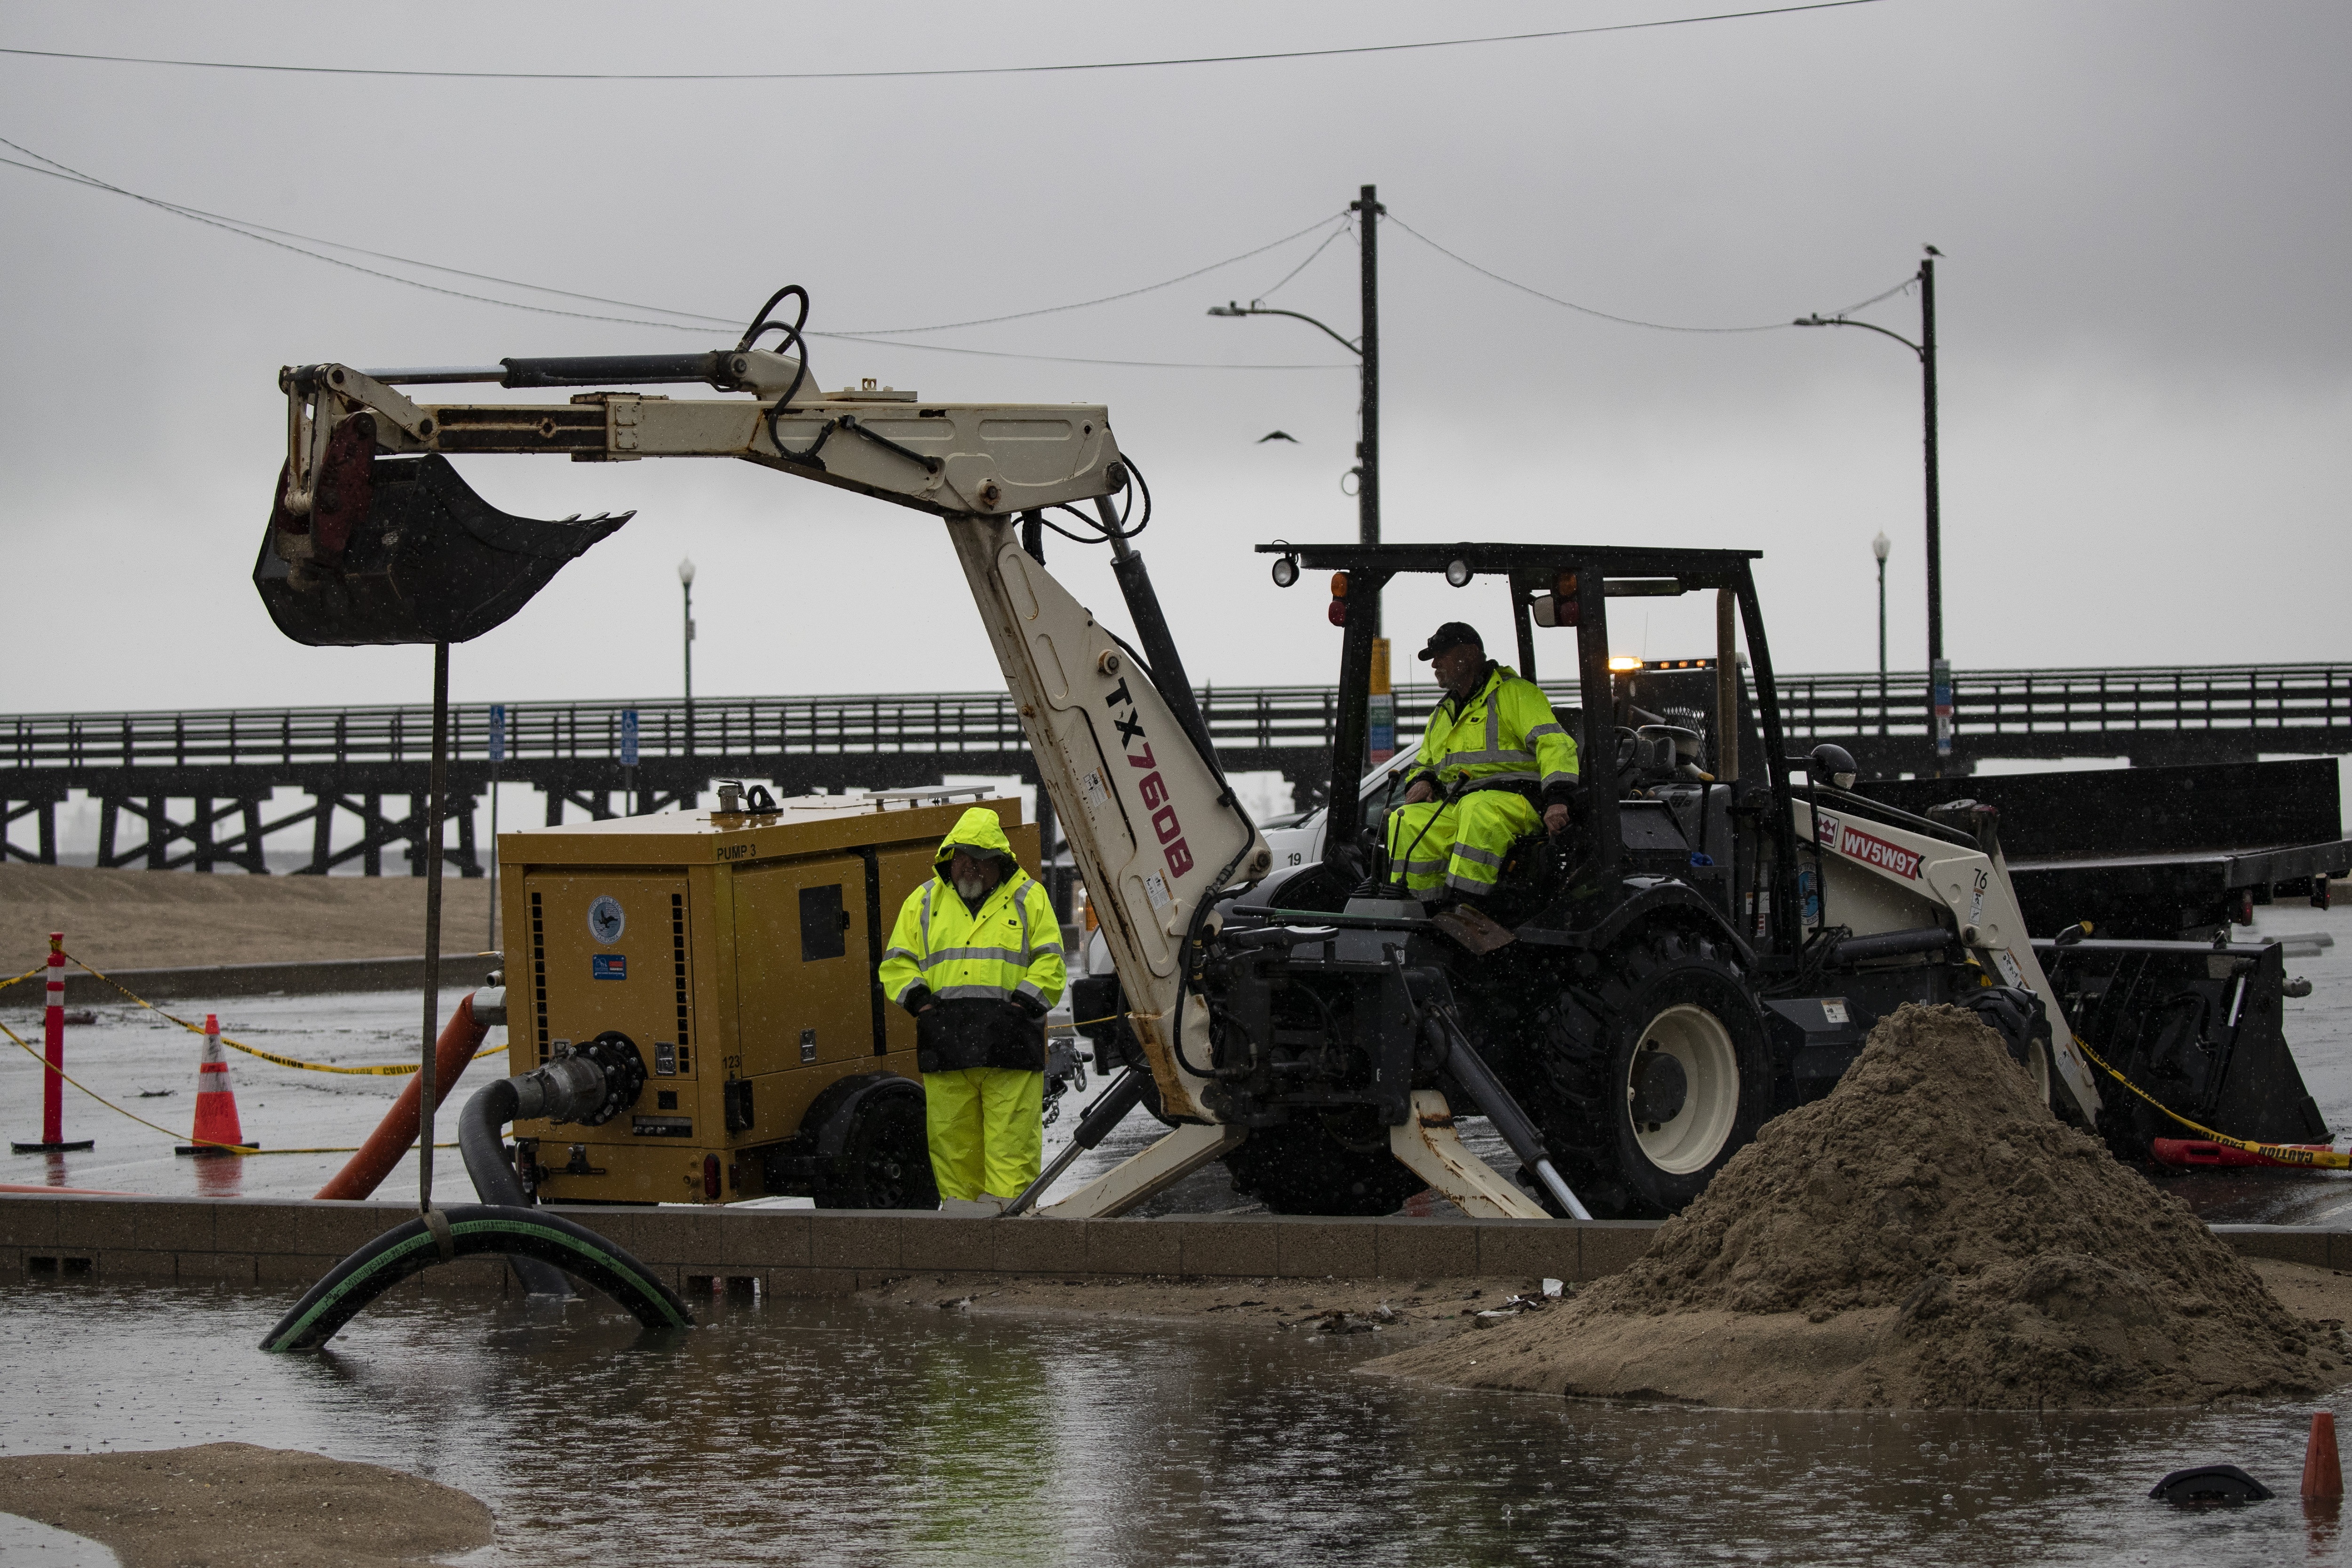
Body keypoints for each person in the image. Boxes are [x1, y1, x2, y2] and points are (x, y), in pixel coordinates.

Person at [878, 806, 1067, 1214]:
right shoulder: (924, 901)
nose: (970, 866)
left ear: (998, 860)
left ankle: (1012, 1239)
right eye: (963, 856)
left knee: (1011, 1153)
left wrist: (1020, 1007)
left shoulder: (1028, 898)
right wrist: (923, 1005)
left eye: (980, 858)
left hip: (1009, 1049)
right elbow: (896, 962)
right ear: (951, 855)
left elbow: (1052, 962)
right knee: (953, 1154)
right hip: (948, 1050)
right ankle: (965, 1246)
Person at [1382, 622, 1580, 910]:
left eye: (1442, 655)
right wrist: (1422, 780)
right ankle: (1419, 911)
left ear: (1471, 654)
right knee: (1406, 819)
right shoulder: (1443, 712)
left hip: (1519, 803)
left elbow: (1555, 744)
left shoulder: (1515, 694)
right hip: (1460, 805)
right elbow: (1422, 762)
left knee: (1477, 810)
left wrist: (1558, 800)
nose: (1435, 664)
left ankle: (1466, 913)